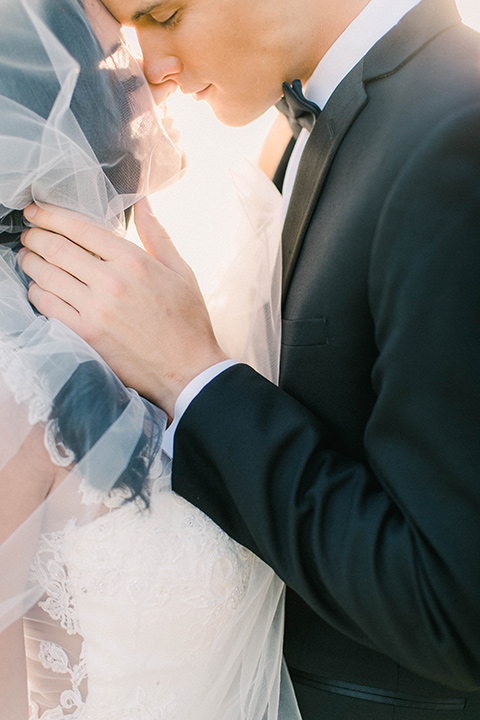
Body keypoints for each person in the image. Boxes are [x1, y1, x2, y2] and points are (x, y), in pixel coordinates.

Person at [19, 0, 480, 718]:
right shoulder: (314, 135)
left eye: (165, 14)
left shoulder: (456, 129)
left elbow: (456, 605)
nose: (154, 70)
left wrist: (192, 376)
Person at [0, 0, 300, 718]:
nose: (154, 78)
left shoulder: (141, 324)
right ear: (53, 99)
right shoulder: (15, 384)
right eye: (118, 58)